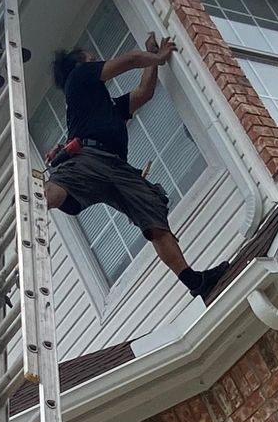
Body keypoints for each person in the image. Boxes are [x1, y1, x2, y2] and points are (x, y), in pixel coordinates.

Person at [45, 36, 232, 300]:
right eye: (92, 58)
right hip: (91, 156)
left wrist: (151, 58)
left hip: (117, 169)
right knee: (64, 183)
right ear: (82, 63)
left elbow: (144, 92)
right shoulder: (80, 76)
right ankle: (34, 204)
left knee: (153, 215)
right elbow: (130, 60)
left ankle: (194, 281)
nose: (98, 61)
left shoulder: (103, 105)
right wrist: (158, 57)